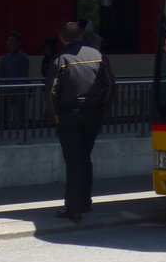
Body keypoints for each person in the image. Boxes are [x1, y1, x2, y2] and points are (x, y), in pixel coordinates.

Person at [44, 21, 116, 223]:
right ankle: (85, 202)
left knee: (73, 161)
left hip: (69, 115)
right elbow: (111, 86)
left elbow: (51, 92)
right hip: (93, 114)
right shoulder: (99, 56)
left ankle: (73, 209)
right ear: (81, 36)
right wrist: (103, 110)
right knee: (85, 158)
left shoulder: (61, 59)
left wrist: (55, 114)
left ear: (62, 38)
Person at [0, 31, 31, 128]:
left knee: (20, 114)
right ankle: (5, 131)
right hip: (6, 91)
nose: (9, 43)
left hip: (18, 91)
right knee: (4, 115)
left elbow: (22, 74)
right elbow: (1, 75)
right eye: (8, 40)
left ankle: (21, 132)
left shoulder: (23, 57)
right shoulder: (4, 58)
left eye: (12, 40)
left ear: (18, 43)